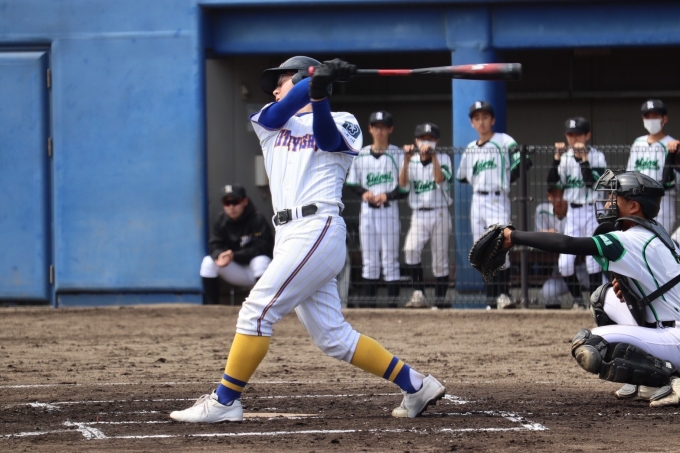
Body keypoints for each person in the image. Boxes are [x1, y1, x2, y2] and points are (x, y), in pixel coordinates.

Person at [170, 57, 445, 423]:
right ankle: (416, 385)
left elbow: (328, 138)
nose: (274, 89)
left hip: (317, 227)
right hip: (288, 235)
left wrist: (318, 92)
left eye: (282, 81)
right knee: (332, 336)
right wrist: (314, 83)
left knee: (256, 311)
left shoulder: (344, 120)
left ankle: (224, 401)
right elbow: (279, 109)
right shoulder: (270, 120)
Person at [499, 170, 680, 407]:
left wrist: (513, 236)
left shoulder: (629, 238)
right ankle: (651, 383)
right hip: (669, 328)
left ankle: (671, 379)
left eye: (614, 198)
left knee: (589, 345)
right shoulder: (657, 235)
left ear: (634, 206)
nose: (607, 203)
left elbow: (567, 243)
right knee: (603, 299)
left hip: (674, 338)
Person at [456, 101, 529, 309]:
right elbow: (462, 176)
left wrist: (507, 179)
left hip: (497, 198)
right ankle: (491, 299)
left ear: (493, 120)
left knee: (500, 245)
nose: (481, 122)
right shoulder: (470, 148)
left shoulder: (503, 140)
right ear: (472, 123)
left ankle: (503, 294)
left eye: (485, 117)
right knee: (481, 250)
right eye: (477, 118)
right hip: (477, 200)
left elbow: (524, 160)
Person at [345, 111, 407, 307]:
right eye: (376, 127)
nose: (380, 131)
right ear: (370, 129)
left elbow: (404, 188)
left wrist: (388, 195)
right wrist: (364, 192)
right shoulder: (361, 154)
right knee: (369, 260)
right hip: (368, 211)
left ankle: (392, 306)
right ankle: (369, 306)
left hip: (389, 210)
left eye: (383, 127)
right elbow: (352, 183)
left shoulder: (398, 154)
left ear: (390, 129)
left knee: (390, 260)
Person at [546, 117, 607, 309]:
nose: (574, 139)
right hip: (573, 212)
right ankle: (579, 302)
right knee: (564, 262)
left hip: (593, 210)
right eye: (570, 135)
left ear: (587, 135)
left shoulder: (598, 156)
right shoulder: (565, 158)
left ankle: (595, 305)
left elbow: (591, 182)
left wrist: (583, 160)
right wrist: (556, 158)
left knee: (593, 261)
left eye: (578, 134)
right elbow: (551, 182)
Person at [399, 122, 453, 308]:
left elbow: (439, 178)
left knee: (440, 259)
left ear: (437, 141)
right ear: (416, 141)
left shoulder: (444, 158)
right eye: (423, 138)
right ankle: (419, 293)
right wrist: (406, 159)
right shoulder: (410, 160)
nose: (426, 142)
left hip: (440, 212)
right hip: (419, 214)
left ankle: (439, 301)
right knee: (410, 250)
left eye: (430, 139)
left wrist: (434, 156)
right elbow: (402, 184)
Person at [200, 184, 274, 305]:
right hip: (237, 271)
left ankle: (263, 304)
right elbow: (214, 245)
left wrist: (234, 255)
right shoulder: (221, 220)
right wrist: (220, 255)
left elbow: (263, 247)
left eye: (235, 202)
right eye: (227, 203)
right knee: (208, 262)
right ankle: (212, 308)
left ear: (245, 201)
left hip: (260, 272)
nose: (231, 207)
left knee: (260, 260)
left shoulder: (257, 218)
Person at [626, 99, 677, 233]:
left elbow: (676, 180)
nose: (651, 120)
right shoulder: (638, 143)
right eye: (647, 117)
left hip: (663, 199)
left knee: (661, 238)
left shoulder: (672, 144)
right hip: (638, 198)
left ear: (664, 119)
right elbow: (630, 173)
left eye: (655, 116)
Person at [534, 187, 588, 308]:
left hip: (585, 270)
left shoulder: (577, 211)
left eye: (562, 195)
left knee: (605, 287)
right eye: (554, 195)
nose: (558, 199)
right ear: (549, 196)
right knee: (547, 293)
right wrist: (547, 234)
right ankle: (577, 305)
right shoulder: (542, 210)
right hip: (560, 274)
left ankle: (593, 308)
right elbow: (537, 238)